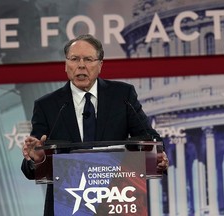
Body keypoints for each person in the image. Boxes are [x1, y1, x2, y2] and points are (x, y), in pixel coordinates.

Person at [21, 34, 169, 216]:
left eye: (88, 59)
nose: (81, 65)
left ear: (100, 65)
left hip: (117, 201)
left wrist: (157, 157)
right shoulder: (47, 105)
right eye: (74, 59)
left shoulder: (123, 96)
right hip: (67, 206)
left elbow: (150, 138)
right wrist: (36, 159)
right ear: (66, 65)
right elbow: (33, 163)